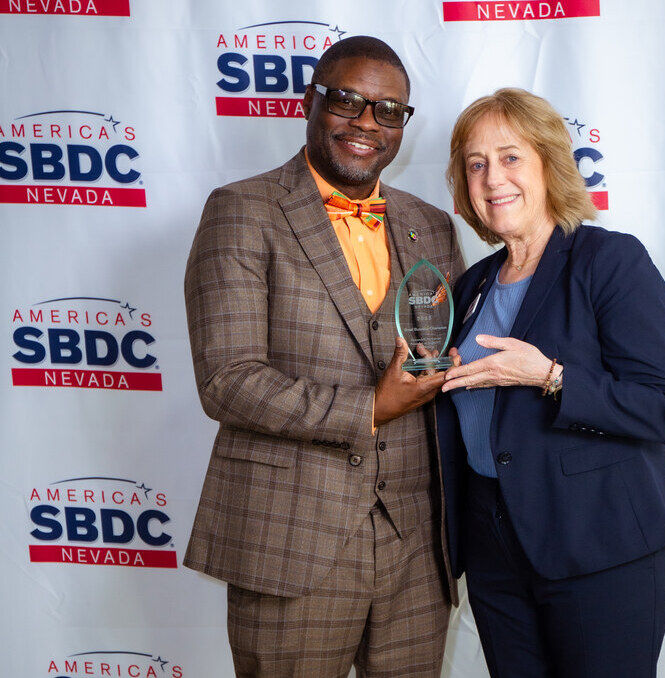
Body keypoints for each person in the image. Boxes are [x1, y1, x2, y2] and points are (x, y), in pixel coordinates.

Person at [183, 36, 463, 678]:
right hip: (290, 540)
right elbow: (227, 380)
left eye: (388, 110)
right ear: (311, 102)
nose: (367, 122)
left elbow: (435, 358)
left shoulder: (432, 225)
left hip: (416, 548)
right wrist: (371, 406)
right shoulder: (241, 210)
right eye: (347, 101)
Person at [437, 88, 665, 678]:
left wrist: (550, 376)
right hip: (495, 548)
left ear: (549, 165)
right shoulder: (471, 286)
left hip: (600, 547)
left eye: (510, 157)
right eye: (476, 164)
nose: (492, 177)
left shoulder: (610, 261)